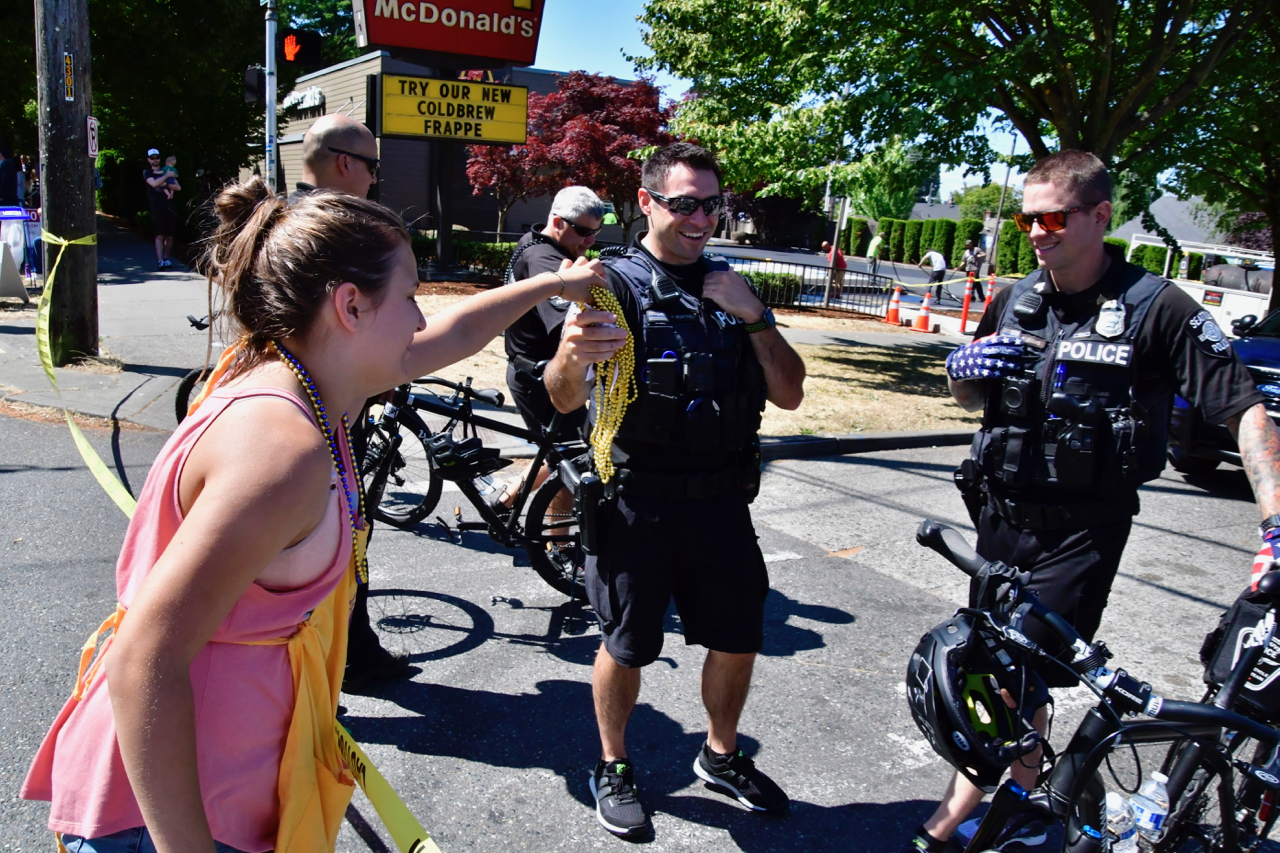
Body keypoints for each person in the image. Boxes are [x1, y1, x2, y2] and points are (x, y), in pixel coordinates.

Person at [20, 177, 605, 853]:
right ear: (350, 305)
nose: (419, 319)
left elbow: (454, 333)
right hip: (173, 819)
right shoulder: (283, 448)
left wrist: (549, 287)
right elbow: (144, 661)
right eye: (410, 296)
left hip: (227, 790)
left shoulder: (298, 372)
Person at [905, 150, 1280, 853]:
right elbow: (973, 395)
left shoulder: (1156, 306)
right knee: (991, 675)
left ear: (1100, 216)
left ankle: (961, 817)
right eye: (1026, 217)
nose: (1036, 231)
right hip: (999, 522)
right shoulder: (1018, 296)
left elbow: (1244, 411)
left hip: (1080, 534)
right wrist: (960, 372)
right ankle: (1025, 798)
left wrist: (1275, 523)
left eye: (1052, 217)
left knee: (1014, 678)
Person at [545, 142, 806, 839]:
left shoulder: (733, 288)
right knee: (626, 644)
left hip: (721, 502)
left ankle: (721, 755)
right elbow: (562, 396)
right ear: (647, 203)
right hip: (638, 499)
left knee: (739, 636)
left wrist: (755, 317)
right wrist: (571, 356)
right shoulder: (615, 286)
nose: (700, 217)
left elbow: (790, 393)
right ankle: (614, 762)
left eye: (711, 204)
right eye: (683, 203)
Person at [290, 114, 402, 695]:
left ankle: (354, 649)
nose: (375, 179)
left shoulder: (292, 220)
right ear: (343, 164)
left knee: (348, 532)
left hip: (326, 405)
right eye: (372, 166)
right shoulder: (322, 229)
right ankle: (324, 677)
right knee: (325, 540)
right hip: (317, 409)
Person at [494, 186, 604, 514]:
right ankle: (559, 547)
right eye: (583, 232)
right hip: (540, 376)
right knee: (571, 463)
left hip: (532, 369)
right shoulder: (546, 260)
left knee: (565, 451)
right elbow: (570, 324)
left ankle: (504, 498)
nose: (590, 241)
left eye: (595, 232)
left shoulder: (535, 244)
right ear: (557, 222)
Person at [296, 114, 379, 199]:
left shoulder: (285, 209)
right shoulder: (343, 212)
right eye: (372, 167)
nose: (374, 179)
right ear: (345, 163)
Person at [143, 149, 177, 270]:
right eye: (152, 158)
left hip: (169, 206)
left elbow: (177, 186)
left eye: (157, 157)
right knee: (159, 235)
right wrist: (166, 177)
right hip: (156, 207)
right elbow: (153, 183)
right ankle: (160, 260)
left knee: (170, 236)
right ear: (148, 160)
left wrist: (166, 184)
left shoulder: (166, 169)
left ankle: (166, 258)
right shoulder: (147, 172)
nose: (155, 159)